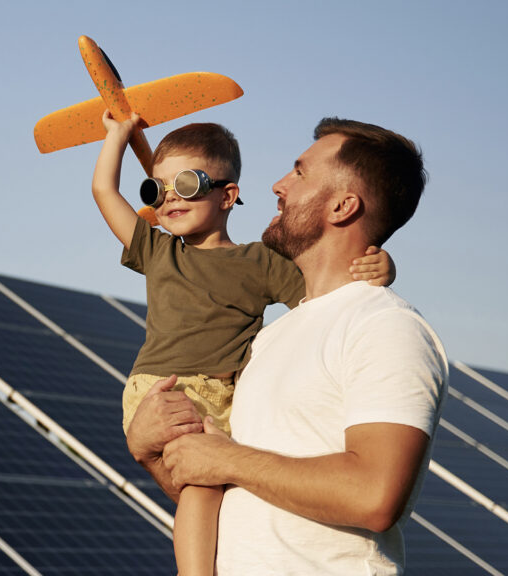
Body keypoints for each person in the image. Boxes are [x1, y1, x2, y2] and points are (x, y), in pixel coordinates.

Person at [126, 117, 448, 575]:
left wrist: (228, 458)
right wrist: (149, 452)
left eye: (299, 173)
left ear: (343, 206)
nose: (278, 185)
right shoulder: (270, 339)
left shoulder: (383, 326)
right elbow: (229, 489)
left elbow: (375, 497)